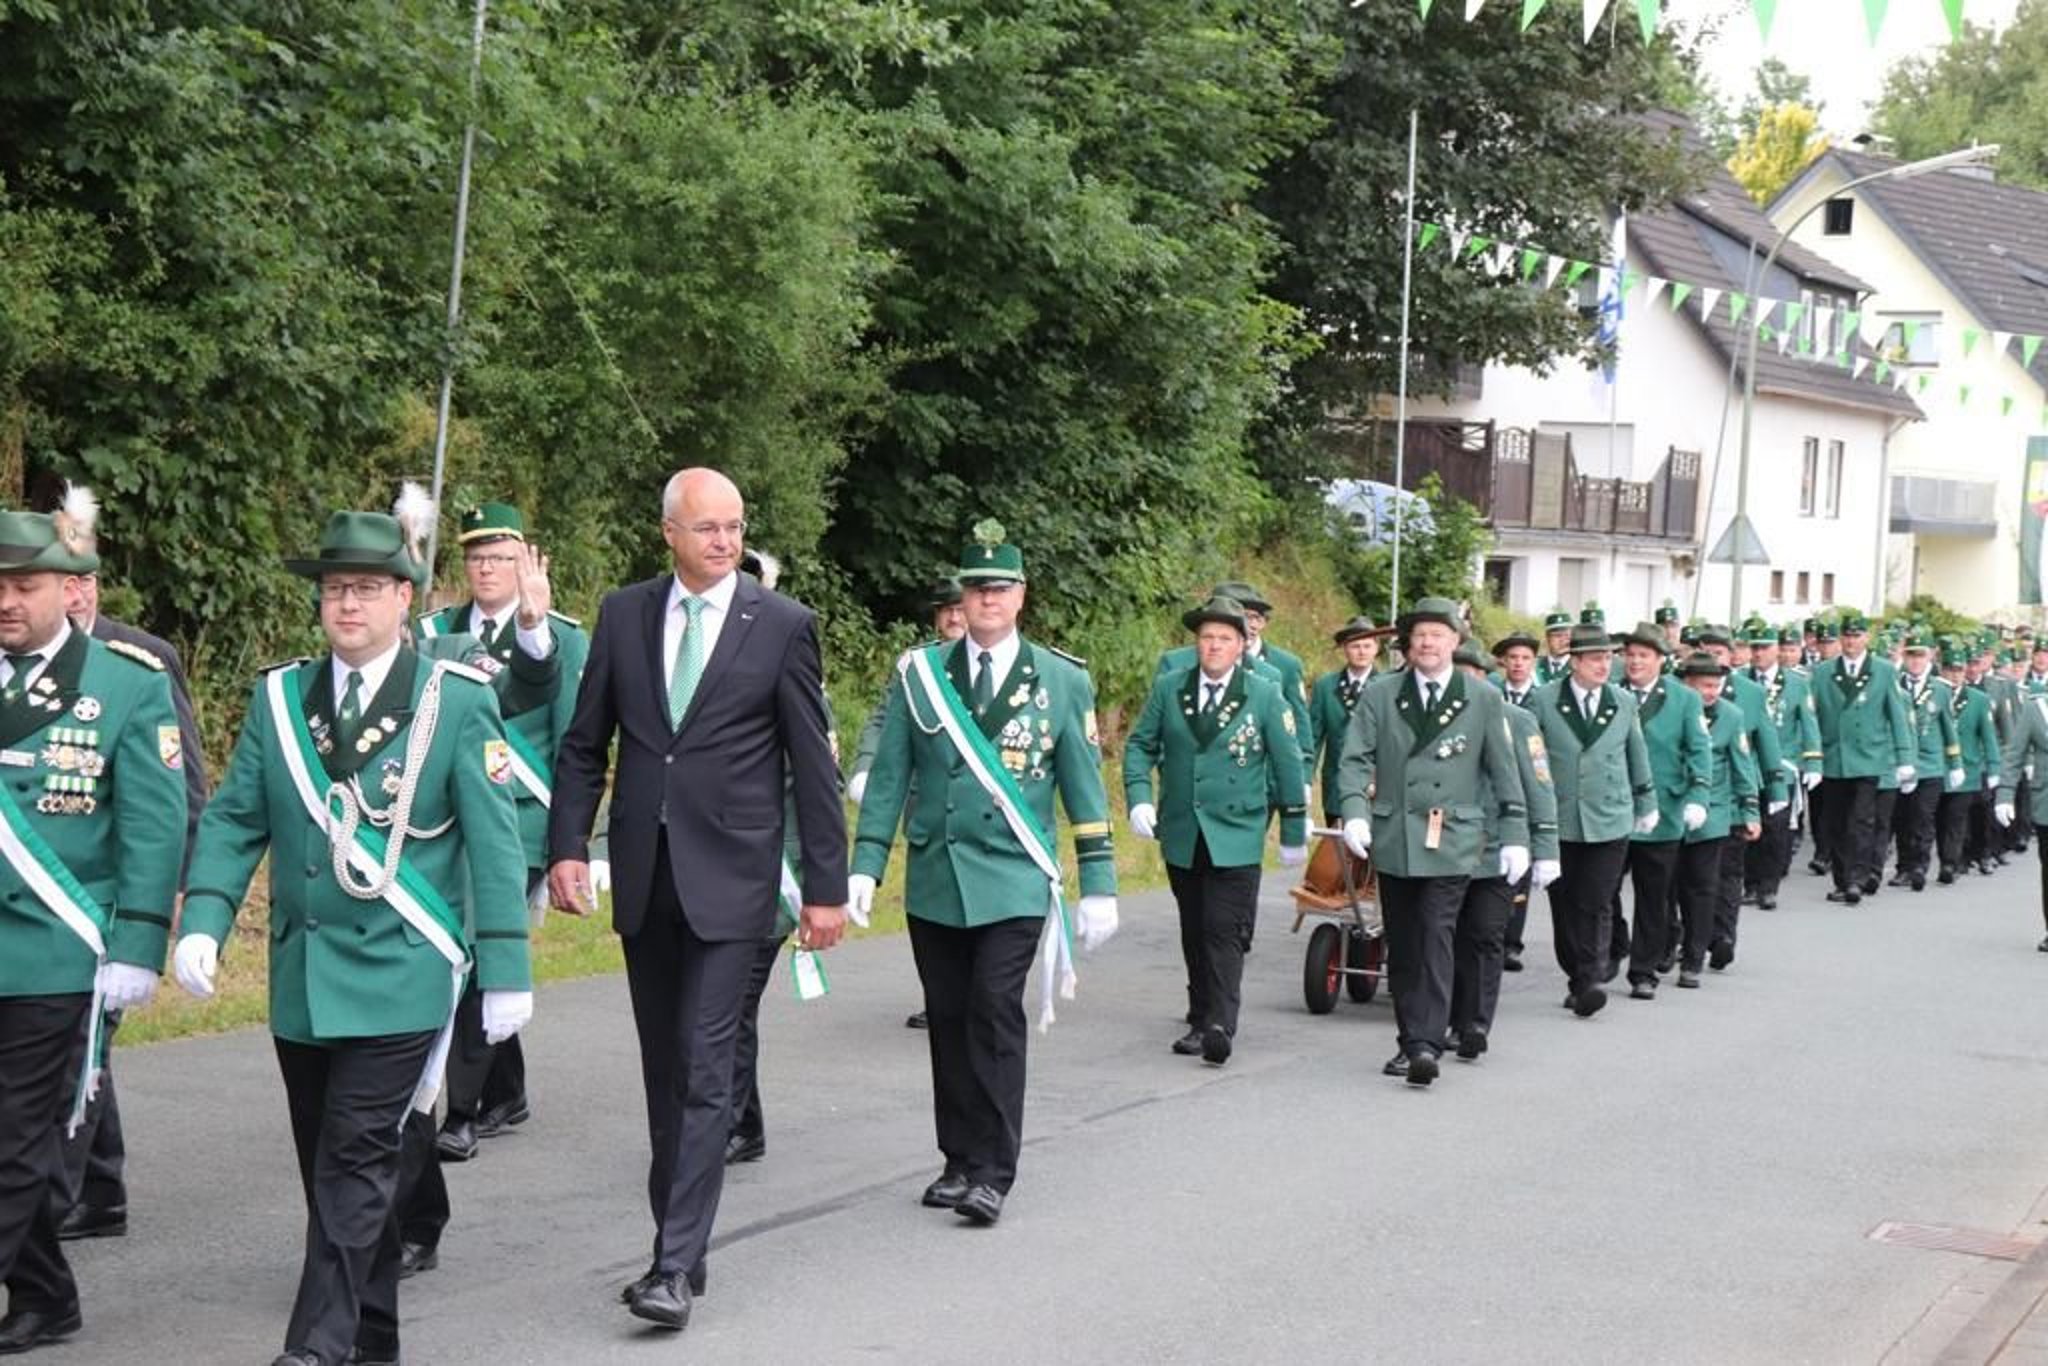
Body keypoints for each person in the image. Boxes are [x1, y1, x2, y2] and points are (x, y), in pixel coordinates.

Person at [172, 493, 533, 1366]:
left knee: (354, 1160)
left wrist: (508, 968)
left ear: (405, 598)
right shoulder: (280, 698)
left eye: (368, 588)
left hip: (402, 974)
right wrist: (206, 919)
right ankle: (373, 1343)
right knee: (330, 1170)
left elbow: (494, 840)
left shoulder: (454, 700)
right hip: (303, 979)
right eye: (336, 588)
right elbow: (236, 819)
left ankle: (315, 1349)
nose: (349, 604)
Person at [546, 468, 847, 1328]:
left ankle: (672, 1265)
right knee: (665, 1068)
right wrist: (566, 846)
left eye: (736, 527)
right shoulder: (624, 614)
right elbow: (584, 744)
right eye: (708, 527)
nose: (725, 541)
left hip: (737, 878)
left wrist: (825, 888)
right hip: (647, 876)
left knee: (707, 1067)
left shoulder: (780, 624)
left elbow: (811, 765)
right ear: (669, 534)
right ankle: (681, 1245)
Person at [849, 519, 1117, 1221]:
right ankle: (958, 1158)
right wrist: (866, 864)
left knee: (994, 1010)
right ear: (961, 600)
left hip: (1013, 877)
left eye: (1000, 588)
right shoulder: (921, 675)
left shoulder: (1061, 679)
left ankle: (994, 1169)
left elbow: (1084, 788)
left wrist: (1099, 883)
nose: (987, 599)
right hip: (938, 877)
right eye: (976, 589)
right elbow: (891, 776)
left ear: (1021, 596)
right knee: (947, 1017)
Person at [0, 502, 186, 1357]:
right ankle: (45, 1294)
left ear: (66, 588)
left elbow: (154, 825)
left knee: (13, 1136)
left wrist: (139, 944)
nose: (7, 601)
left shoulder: (125, 683)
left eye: (24, 585)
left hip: (56, 953)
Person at [392, 502, 574, 1281]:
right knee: (466, 973)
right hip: (431, 839)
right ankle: (499, 1089)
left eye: (500, 557)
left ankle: (461, 1109)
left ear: (524, 562)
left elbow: (567, 729)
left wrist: (580, 845)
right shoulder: (433, 633)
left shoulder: (552, 636)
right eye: (476, 559)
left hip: (518, 827)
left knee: (474, 962)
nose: (487, 570)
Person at [49, 486, 210, 1245]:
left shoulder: (138, 661)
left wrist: (181, 884)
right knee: (82, 1036)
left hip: (108, 894)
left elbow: (183, 787)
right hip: (37, 889)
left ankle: (51, 1200)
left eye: (86, 578)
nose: (77, 593)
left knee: (78, 1037)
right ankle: (101, 1187)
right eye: (64, 578)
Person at [1338, 596, 1529, 1087]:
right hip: (1396, 835)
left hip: (1454, 837)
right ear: (1408, 644)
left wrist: (1515, 835)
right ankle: (1411, 1038)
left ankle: (1425, 1043)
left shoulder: (1482, 698)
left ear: (1455, 642)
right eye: (1420, 635)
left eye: (1438, 635)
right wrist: (1355, 813)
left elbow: (1504, 770)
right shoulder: (1381, 694)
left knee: (1435, 930)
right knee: (1404, 940)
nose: (1428, 643)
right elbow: (1355, 759)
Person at [1125, 595, 1306, 1065]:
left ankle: (1218, 1024)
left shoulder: (1264, 693)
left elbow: (1287, 760)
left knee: (1222, 928)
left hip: (1237, 828)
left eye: (1225, 638)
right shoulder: (1170, 688)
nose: (1214, 646)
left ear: (1241, 645)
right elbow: (1141, 745)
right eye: (1207, 637)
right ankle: (1200, 1010)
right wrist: (1139, 798)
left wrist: (1292, 826)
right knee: (1194, 925)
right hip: (1183, 828)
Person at [848, 576, 967, 1032]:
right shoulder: (916, 667)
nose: (953, 618)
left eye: (959, 608)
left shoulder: (996, 666)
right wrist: (865, 767)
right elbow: (883, 720)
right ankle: (940, 997)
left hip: (980, 813)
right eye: (945, 611)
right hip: (926, 809)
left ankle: (975, 995)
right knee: (931, 905)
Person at [1528, 623, 1654, 1017]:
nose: (1605, 665)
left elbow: (1636, 751)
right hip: (1561, 815)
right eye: (1596, 658)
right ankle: (1577, 972)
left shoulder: (1622, 701)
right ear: (1575, 662)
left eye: (1608, 658)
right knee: (1564, 902)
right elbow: (1531, 756)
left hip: (1609, 815)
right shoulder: (1543, 700)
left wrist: (1646, 800)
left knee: (1597, 900)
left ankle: (1589, 979)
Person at [1448, 639, 1558, 1057]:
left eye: (1473, 675)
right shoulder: (1436, 721)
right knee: (1446, 936)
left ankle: (1475, 1023)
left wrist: (1545, 847)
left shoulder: (1518, 720)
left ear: (1486, 679)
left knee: (1485, 934)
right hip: (1445, 848)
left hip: (1498, 847)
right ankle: (1447, 1017)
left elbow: (1540, 786)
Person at [1613, 622, 1709, 996]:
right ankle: (1612, 946)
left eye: (1643, 655)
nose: (1635, 662)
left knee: (1653, 896)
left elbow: (1698, 749)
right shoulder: (1611, 691)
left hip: (1663, 808)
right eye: (1630, 654)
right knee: (1603, 890)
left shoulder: (1683, 699)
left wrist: (1698, 795)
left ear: (1660, 660)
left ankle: (1644, 970)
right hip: (1613, 808)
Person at [1809, 612, 1914, 906]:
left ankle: (1856, 879)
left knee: (1862, 820)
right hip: (1835, 757)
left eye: (1856, 636)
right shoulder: (1823, 671)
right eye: (1847, 636)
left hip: (1869, 757)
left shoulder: (1883, 670)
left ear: (1866, 638)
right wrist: (1811, 757)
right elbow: (1811, 717)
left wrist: (1904, 757)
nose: (1851, 641)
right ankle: (1842, 881)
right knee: (1836, 822)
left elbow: (1897, 715)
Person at [1672, 652, 1762, 986]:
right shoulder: (1669, 709)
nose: (1711, 692)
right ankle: (1669, 939)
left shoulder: (1731, 715)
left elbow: (1743, 765)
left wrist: (1750, 811)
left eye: (1715, 686)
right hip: (1672, 808)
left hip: (1713, 811)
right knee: (1668, 884)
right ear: (1686, 685)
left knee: (1702, 886)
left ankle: (1694, 957)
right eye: (1703, 686)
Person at [1743, 625, 1820, 911]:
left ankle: (1768, 887)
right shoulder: (1741, 680)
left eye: (1764, 648)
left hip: (1781, 765)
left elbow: (1808, 722)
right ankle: (1751, 884)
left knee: (1776, 828)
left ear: (1776, 650)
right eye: (1755, 648)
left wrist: (1813, 761)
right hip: (1748, 765)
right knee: (1749, 826)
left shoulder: (1796, 683)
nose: (1758, 653)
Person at [1889, 632, 1962, 893]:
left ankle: (1919, 866)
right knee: (1901, 817)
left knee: (1923, 816)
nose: (1916, 661)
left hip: (1930, 765)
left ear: (1930, 657)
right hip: (1901, 763)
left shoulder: (1940, 689)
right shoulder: (1893, 684)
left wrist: (1955, 763)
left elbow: (1949, 729)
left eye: (1920, 655)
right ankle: (1903, 867)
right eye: (1911, 655)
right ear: (1904, 656)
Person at [1489, 629, 1541, 970]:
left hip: (1527, 787)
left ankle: (1511, 941)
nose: (1518, 664)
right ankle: (1492, 934)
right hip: (1494, 789)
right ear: (1503, 662)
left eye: (1525, 658)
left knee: (1520, 868)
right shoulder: (1489, 693)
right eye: (1513, 658)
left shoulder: (1542, 698)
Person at [1307, 616, 1382, 826]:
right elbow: (1313, 737)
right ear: (1344, 648)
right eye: (1355, 646)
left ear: (1377, 648)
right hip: (1336, 782)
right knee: (1336, 839)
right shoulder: (1325, 686)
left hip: (1376, 785)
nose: (1361, 652)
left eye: (1367, 646)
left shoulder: (1387, 686)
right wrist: (1305, 779)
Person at [1938, 643, 2000, 885]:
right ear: (1941, 670)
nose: (1954, 675)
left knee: (1957, 817)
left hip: (1968, 768)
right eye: (1949, 670)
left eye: (1959, 670)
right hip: (1939, 768)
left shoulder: (1978, 699)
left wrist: (1993, 767)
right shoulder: (1934, 695)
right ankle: (1947, 858)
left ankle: (1950, 863)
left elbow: (1988, 736)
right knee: (1940, 819)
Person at [1536, 608, 1573, 684]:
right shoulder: (1536, 666)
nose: (1563, 640)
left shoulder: (1579, 666)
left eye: (1567, 635)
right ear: (1547, 639)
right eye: (1558, 636)